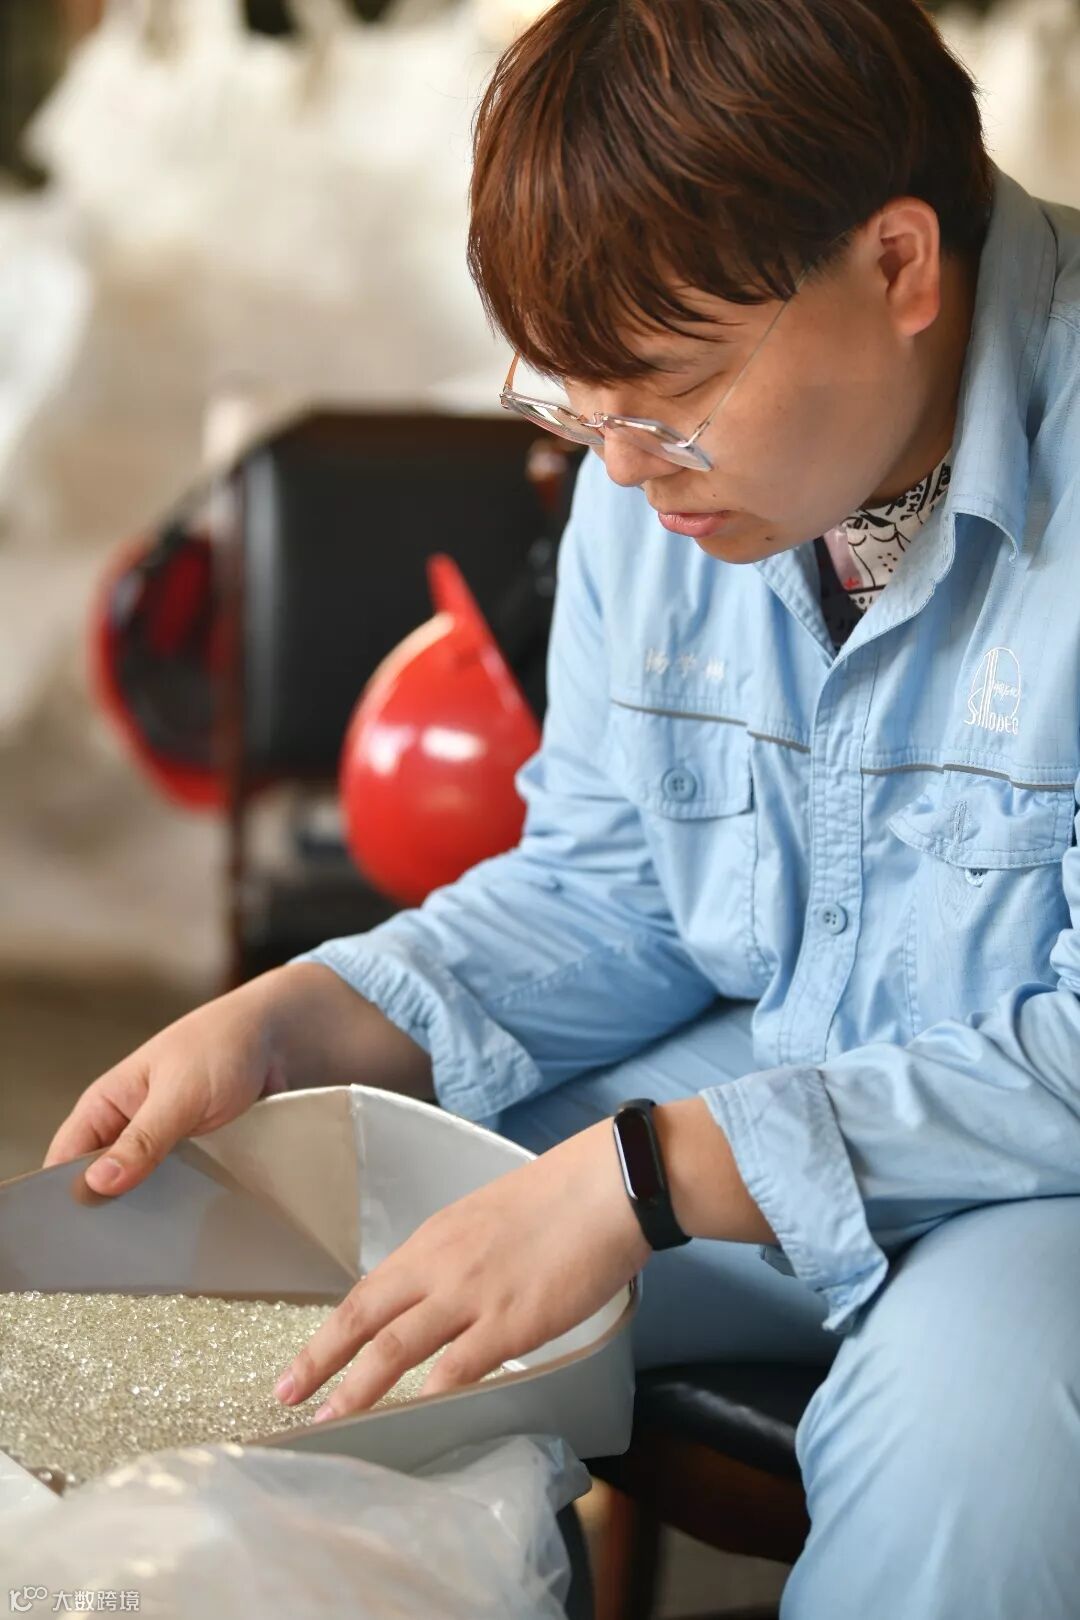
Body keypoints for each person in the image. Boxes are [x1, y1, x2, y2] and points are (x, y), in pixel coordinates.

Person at [47, 1, 1080, 1612]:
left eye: (672, 397)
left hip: (1040, 1182)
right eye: (579, 408)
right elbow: (617, 887)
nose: (625, 473)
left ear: (898, 265)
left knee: (982, 1447)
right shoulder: (648, 472)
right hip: (757, 1075)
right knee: (262, 1285)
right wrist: (302, 1017)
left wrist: (650, 1177)